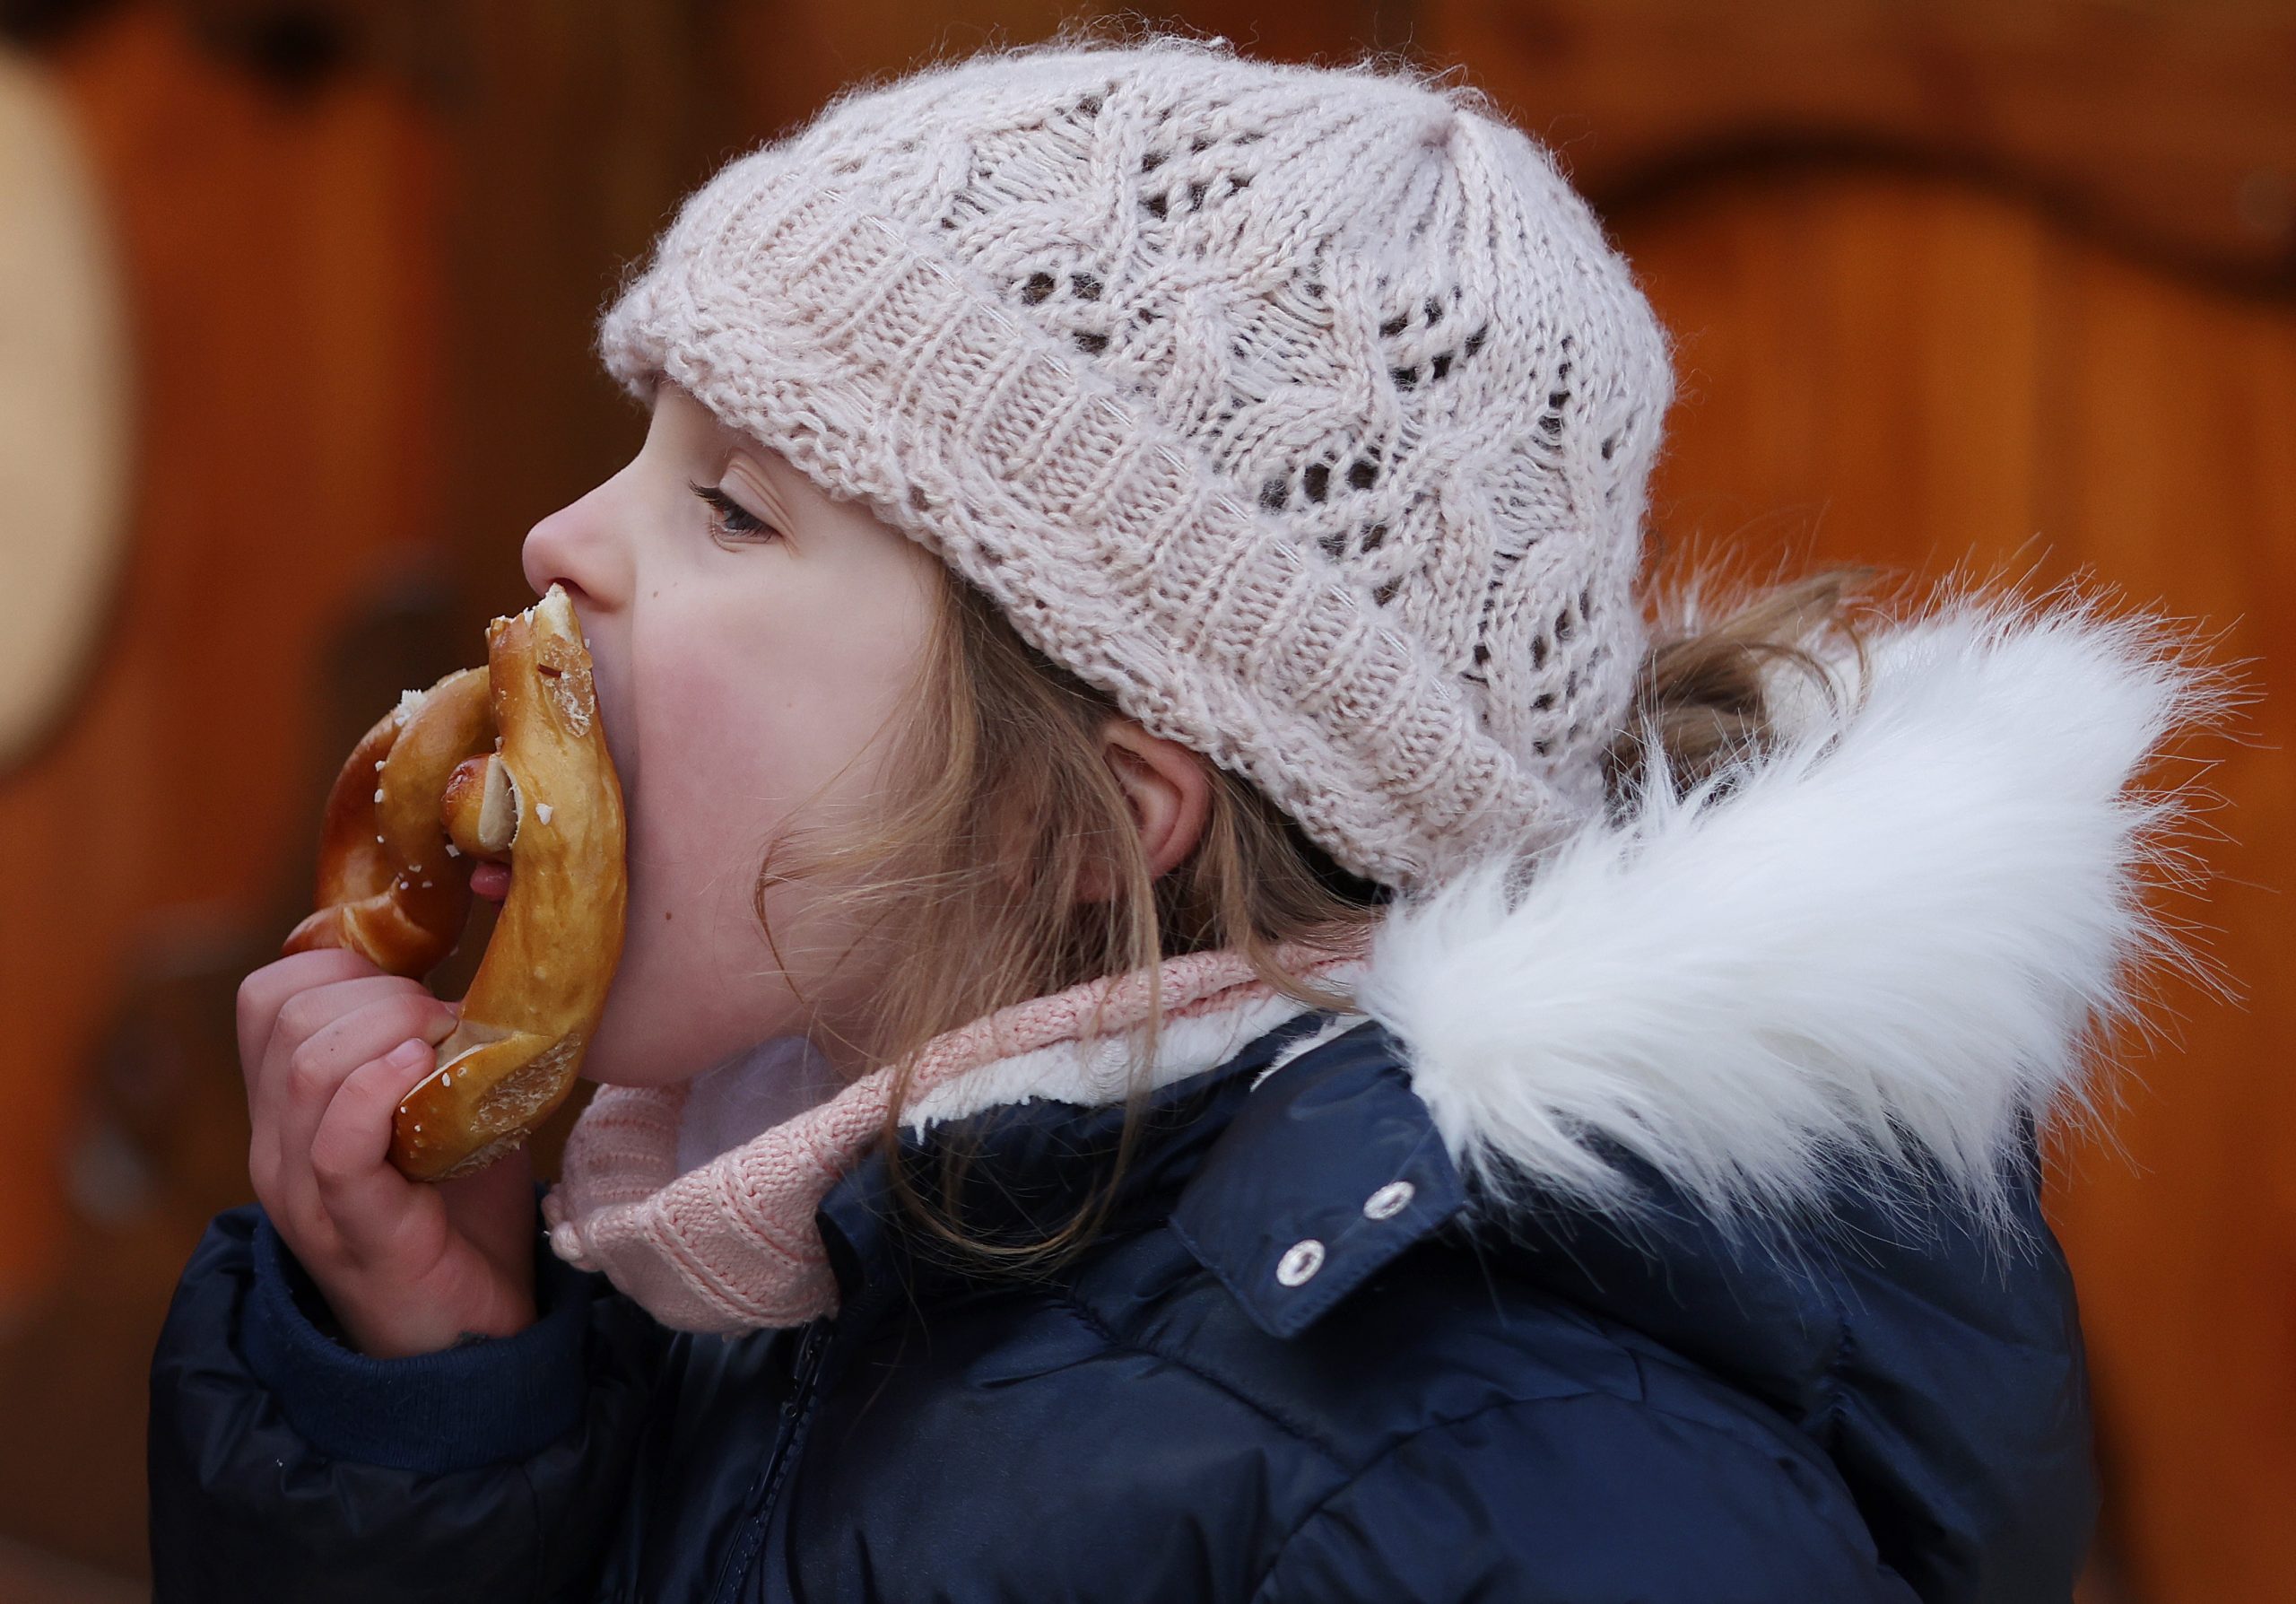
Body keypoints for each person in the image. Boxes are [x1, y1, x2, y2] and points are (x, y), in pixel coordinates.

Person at [146, 33, 2222, 1603]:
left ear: (1089, 819)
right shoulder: (742, 1228)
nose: (555, 539)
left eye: (731, 507)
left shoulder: (1462, 1480)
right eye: (641, 446)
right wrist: (427, 1405)